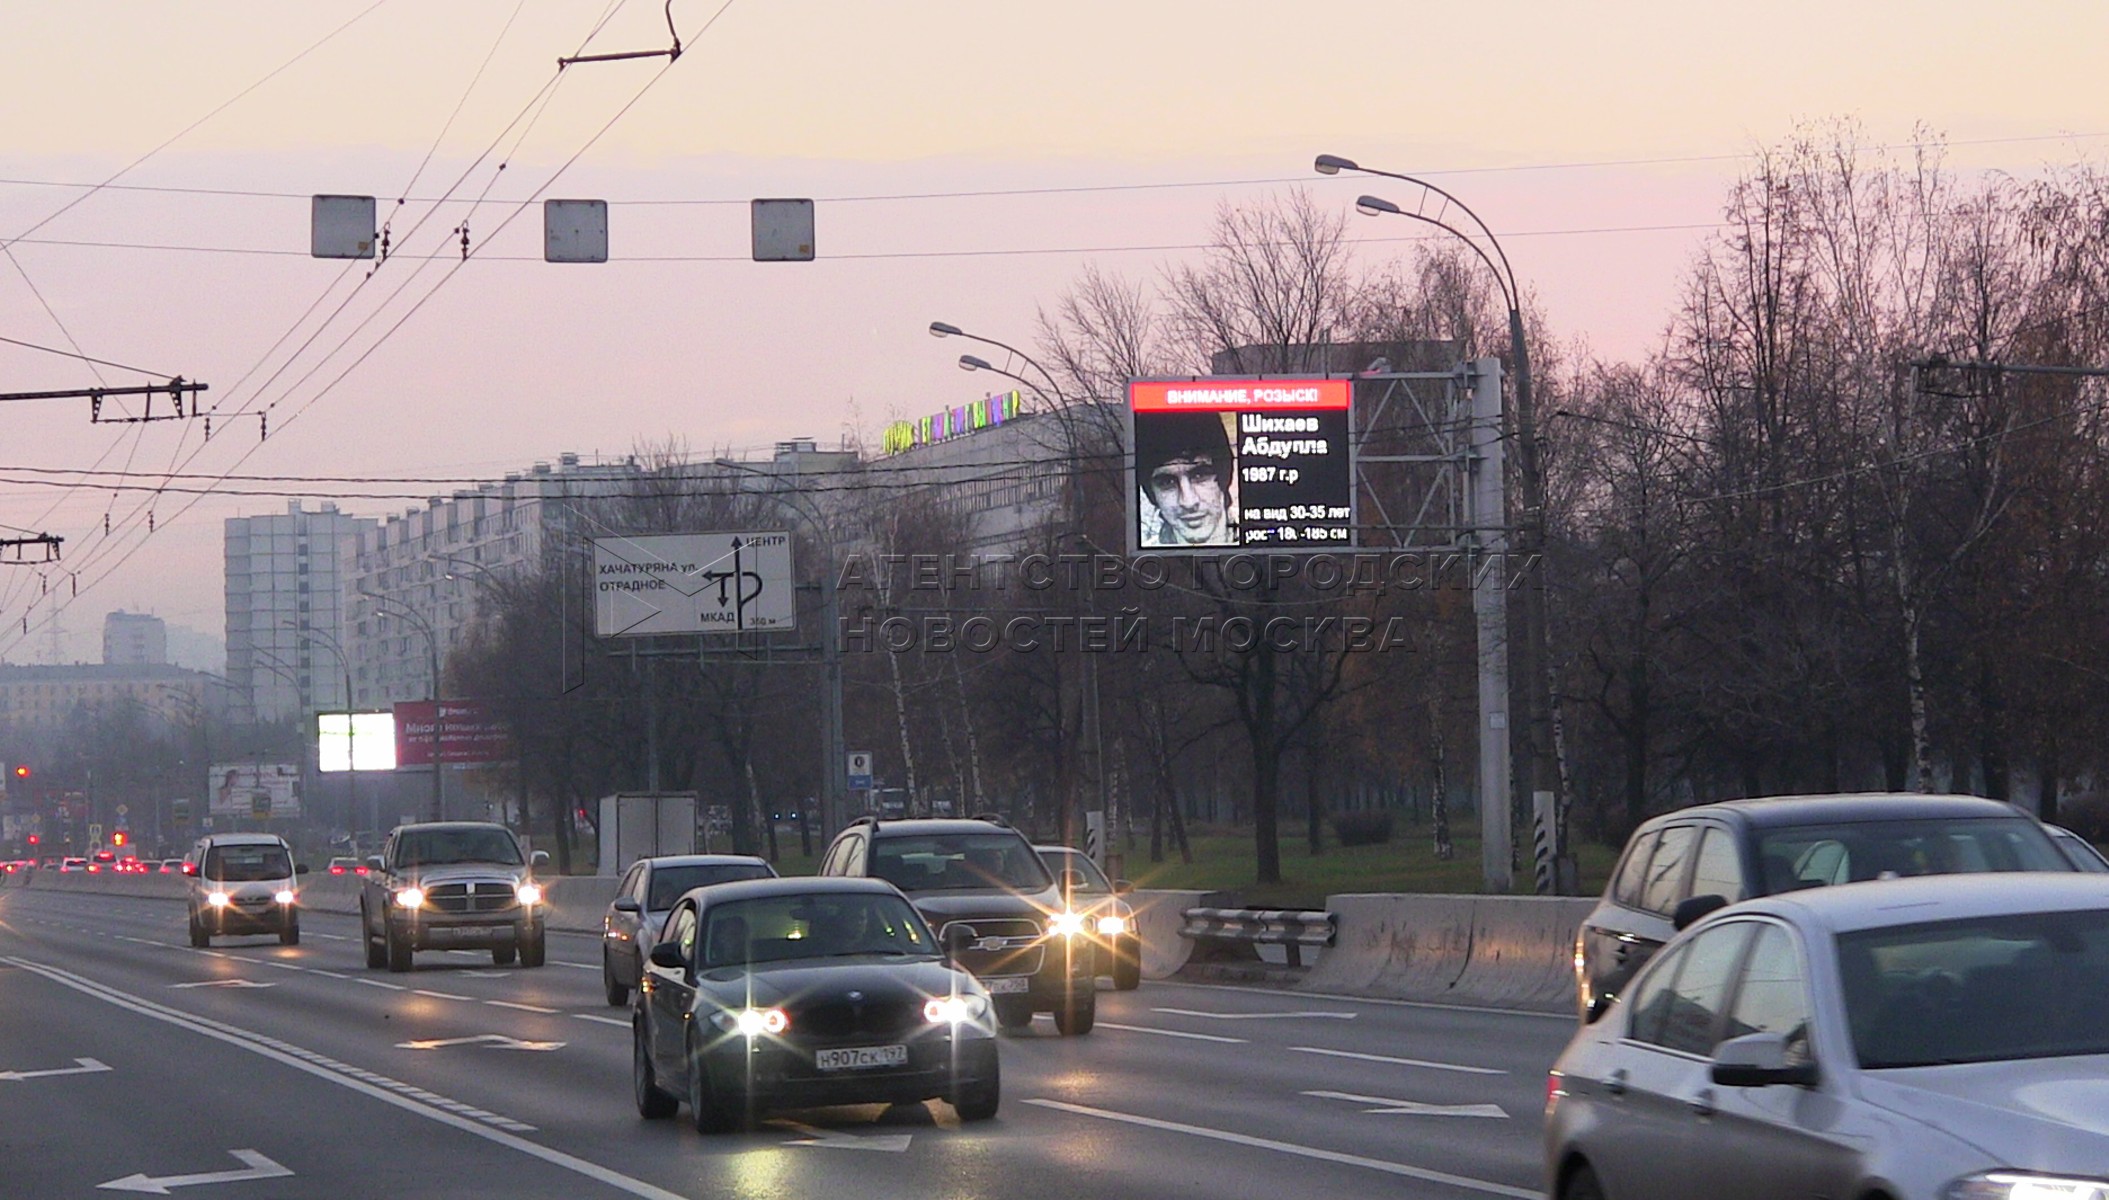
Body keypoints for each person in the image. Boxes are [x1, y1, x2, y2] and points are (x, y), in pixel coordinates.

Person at [1136, 410, 1238, 547]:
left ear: (1224, 476)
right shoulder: (1147, 554)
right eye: (1167, 482)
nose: (1188, 502)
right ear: (1152, 494)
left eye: (1199, 475)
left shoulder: (1259, 534)